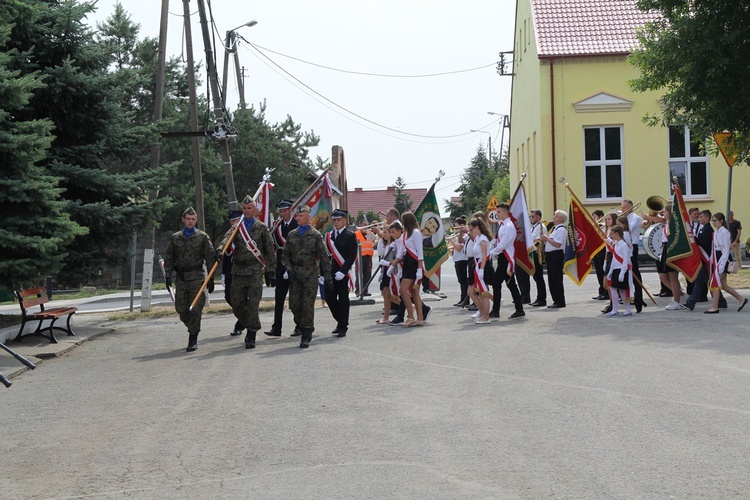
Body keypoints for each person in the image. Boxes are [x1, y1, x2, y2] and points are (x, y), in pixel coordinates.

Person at [219, 195, 275, 349]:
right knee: (236, 303)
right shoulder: (237, 226)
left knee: (252, 304)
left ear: (255, 209)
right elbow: (226, 239)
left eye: (249, 208)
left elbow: (270, 251)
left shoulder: (262, 227)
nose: (247, 211)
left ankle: (251, 334)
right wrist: (219, 250)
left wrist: (271, 271)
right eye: (244, 208)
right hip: (238, 270)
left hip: (255, 270)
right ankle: (250, 323)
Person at [164, 207, 216, 352]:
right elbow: (169, 258)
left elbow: (210, 258)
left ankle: (193, 338)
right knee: (181, 308)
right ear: (183, 219)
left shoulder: (202, 237)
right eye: (188, 219)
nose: (190, 221)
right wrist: (168, 276)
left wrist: (210, 278)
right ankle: (193, 327)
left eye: (193, 219)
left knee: (195, 308)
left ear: (196, 220)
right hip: (181, 278)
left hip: (197, 277)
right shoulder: (175, 238)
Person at [281, 205, 332, 348]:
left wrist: (327, 276)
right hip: (296, 275)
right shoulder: (292, 235)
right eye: (297, 216)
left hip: (310, 274)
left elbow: (324, 256)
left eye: (301, 215)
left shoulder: (315, 235)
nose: (298, 218)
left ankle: (306, 332)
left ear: (308, 216)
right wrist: (289, 269)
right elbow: (285, 256)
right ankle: (303, 325)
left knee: (307, 305)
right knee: (294, 305)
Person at [265, 199, 298, 338]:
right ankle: (276, 328)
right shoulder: (276, 226)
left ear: (291, 210)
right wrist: (270, 269)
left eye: (285, 211)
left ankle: (300, 325)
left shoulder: (298, 225)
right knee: (279, 299)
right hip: (280, 266)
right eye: (281, 212)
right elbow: (272, 247)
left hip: (294, 266)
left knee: (295, 300)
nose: (282, 214)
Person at [684, 210, 727, 311]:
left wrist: (694, 239)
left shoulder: (708, 229)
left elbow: (705, 243)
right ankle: (721, 301)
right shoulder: (702, 228)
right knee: (710, 281)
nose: (699, 218)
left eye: (701, 217)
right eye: (698, 217)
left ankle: (691, 302)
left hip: (707, 259)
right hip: (704, 259)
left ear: (707, 218)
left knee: (700, 281)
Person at [705, 212, 748, 314]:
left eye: (715, 220)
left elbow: (725, 249)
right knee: (723, 285)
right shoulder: (717, 232)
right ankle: (741, 299)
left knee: (715, 283)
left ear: (721, 221)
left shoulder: (724, 232)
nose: (713, 222)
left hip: (722, 258)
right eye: (712, 220)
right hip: (717, 257)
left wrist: (722, 264)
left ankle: (715, 307)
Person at [489, 203, 525, 319]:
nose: (497, 214)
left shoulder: (509, 226)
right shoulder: (502, 225)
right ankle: (519, 310)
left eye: (498, 212)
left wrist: (490, 254)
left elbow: (502, 245)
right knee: (511, 285)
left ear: (505, 212)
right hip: (502, 258)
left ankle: (496, 311)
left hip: (506, 258)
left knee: (497, 283)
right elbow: (497, 241)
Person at [325, 209, 357, 337]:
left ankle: (343, 326)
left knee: (343, 299)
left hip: (343, 273)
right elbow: (326, 256)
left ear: (345, 220)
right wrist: (323, 273)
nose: (336, 222)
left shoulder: (350, 236)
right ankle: (340, 320)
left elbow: (352, 255)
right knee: (329, 298)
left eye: (339, 220)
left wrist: (343, 271)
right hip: (331, 272)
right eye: (334, 220)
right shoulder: (329, 236)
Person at [466, 217, 494, 323]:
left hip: (482, 266)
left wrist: (481, 270)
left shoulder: (483, 239)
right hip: (476, 266)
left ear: (477, 227)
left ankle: (486, 317)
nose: (470, 231)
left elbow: (484, 256)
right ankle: (482, 312)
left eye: (471, 229)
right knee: (471, 291)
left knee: (483, 293)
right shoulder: (478, 238)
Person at [221, 210, 245, 336]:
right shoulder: (229, 236)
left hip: (243, 272)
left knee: (241, 298)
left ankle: (241, 324)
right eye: (231, 221)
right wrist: (223, 274)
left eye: (236, 220)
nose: (233, 223)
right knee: (229, 297)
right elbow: (225, 255)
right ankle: (245, 318)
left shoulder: (245, 235)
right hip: (230, 272)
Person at [604, 225, 634, 317]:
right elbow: (614, 259)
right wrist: (610, 271)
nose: (611, 236)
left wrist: (622, 272)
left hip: (622, 270)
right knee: (613, 289)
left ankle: (628, 310)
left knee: (623, 290)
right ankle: (615, 309)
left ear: (617, 233)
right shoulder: (616, 244)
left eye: (612, 234)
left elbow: (625, 259)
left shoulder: (624, 245)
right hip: (616, 269)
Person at [622, 199, 646, 312]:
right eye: (622, 207)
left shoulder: (635, 218)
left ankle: (638, 299)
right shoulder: (624, 218)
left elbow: (628, 229)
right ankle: (627, 297)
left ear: (631, 207)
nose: (623, 210)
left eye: (625, 208)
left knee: (635, 272)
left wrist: (621, 220)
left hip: (633, 246)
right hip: (623, 246)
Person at [376, 221, 402, 324]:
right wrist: (382, 272)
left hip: (391, 272)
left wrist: (388, 264)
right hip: (386, 271)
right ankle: (386, 317)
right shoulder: (386, 245)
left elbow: (397, 259)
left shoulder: (393, 246)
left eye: (386, 232)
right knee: (385, 294)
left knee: (388, 294)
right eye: (384, 232)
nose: (384, 234)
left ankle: (387, 317)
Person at [541, 210, 568, 308]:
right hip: (551, 255)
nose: (553, 218)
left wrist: (546, 239)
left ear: (560, 218)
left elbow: (557, 244)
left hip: (556, 254)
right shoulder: (556, 229)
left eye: (555, 216)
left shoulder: (561, 229)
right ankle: (555, 300)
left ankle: (560, 301)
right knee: (552, 279)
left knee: (556, 278)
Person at [529, 210, 548, 307]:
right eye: (531, 216)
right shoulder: (534, 227)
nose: (531, 218)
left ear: (538, 217)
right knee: (536, 276)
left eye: (533, 217)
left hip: (538, 252)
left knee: (538, 277)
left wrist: (531, 240)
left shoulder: (541, 227)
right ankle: (539, 297)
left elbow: (540, 239)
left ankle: (542, 299)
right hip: (534, 252)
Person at [450, 216, 470, 307]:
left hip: (462, 259)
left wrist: (451, 242)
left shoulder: (465, 235)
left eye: (457, 226)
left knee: (463, 281)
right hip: (457, 259)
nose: (455, 228)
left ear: (462, 225)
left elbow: (459, 248)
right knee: (461, 280)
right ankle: (462, 299)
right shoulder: (459, 235)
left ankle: (465, 299)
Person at [354, 220, 375, 296]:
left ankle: (365, 290)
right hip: (359, 257)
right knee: (359, 274)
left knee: (368, 275)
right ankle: (358, 291)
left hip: (368, 257)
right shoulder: (356, 234)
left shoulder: (370, 234)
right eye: (364, 225)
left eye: (367, 225)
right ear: (360, 226)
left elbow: (375, 242)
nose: (365, 227)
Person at [591, 210, 608, 300]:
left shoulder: (604, 225)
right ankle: (601, 290)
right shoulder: (594, 225)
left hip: (602, 249)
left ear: (601, 216)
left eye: (595, 217)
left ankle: (606, 291)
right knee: (598, 271)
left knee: (602, 271)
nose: (594, 218)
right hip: (596, 250)